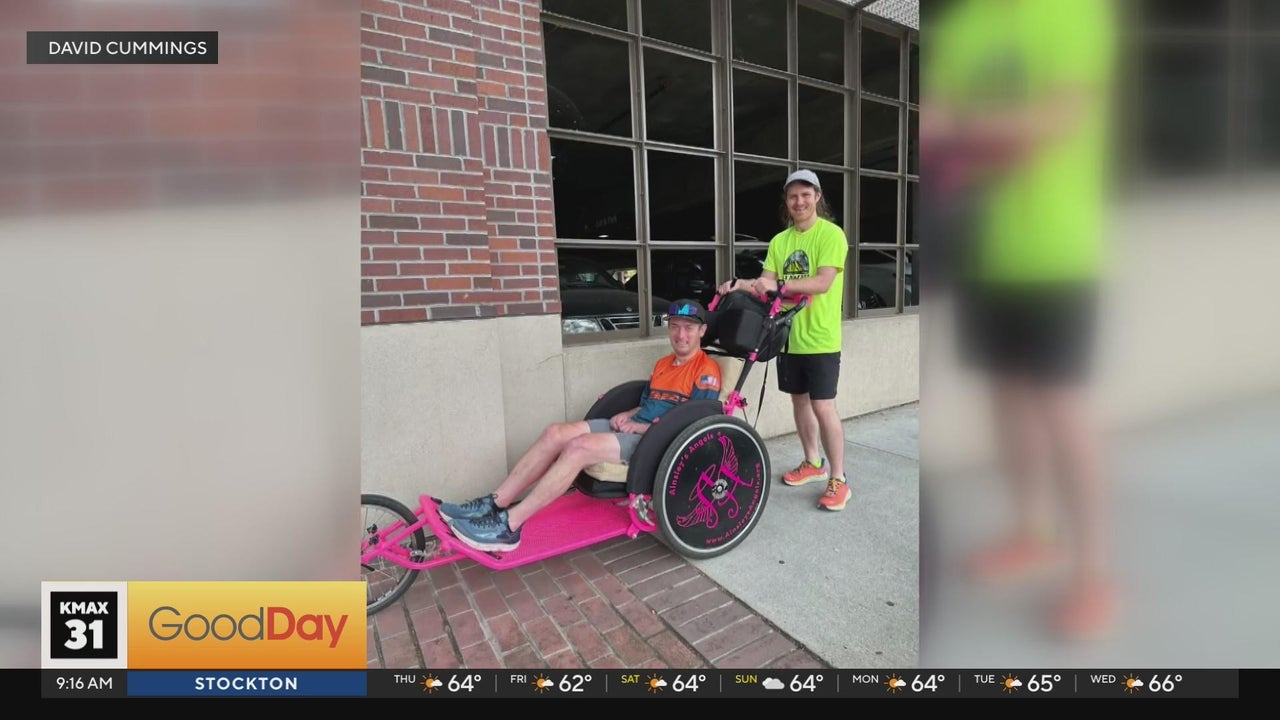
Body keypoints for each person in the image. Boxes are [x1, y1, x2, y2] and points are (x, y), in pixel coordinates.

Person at [924, 0, 1118, 637]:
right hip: (984, 255)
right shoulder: (967, 28)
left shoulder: (1073, 14)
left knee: (1063, 410)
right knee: (1005, 399)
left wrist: (966, 130)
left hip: (1058, 253)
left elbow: (1058, 121)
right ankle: (1033, 534)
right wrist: (987, 132)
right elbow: (932, 128)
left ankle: (1093, 575)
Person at [438, 299, 722, 552]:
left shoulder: (706, 372)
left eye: (688, 328)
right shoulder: (663, 364)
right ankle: (495, 502)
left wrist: (643, 429)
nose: (681, 335)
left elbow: (692, 425)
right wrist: (628, 413)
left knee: (578, 448)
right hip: (634, 427)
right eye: (675, 327)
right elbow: (648, 402)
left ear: (702, 331)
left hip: (656, 442)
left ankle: (509, 526)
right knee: (555, 433)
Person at [718, 169, 849, 512]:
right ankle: (813, 462)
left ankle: (839, 478)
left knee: (823, 406)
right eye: (793, 196)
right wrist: (738, 285)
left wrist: (779, 287)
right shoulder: (780, 241)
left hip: (820, 339)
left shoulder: (831, 235)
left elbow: (822, 283)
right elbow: (765, 285)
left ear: (817, 197)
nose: (799, 201)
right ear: (787, 201)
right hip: (787, 338)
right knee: (799, 402)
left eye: (806, 194)